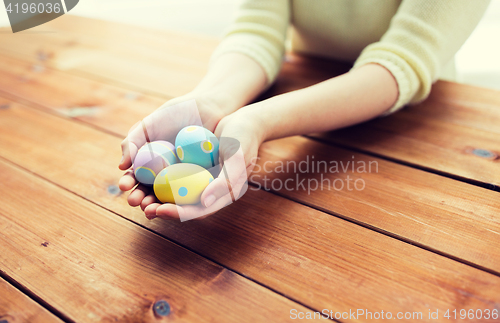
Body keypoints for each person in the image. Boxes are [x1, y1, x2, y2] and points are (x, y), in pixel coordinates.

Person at [118, 0, 491, 220]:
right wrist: (211, 101)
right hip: (303, 92)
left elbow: (403, 61)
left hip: (419, 134)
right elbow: (257, 31)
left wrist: (257, 119)